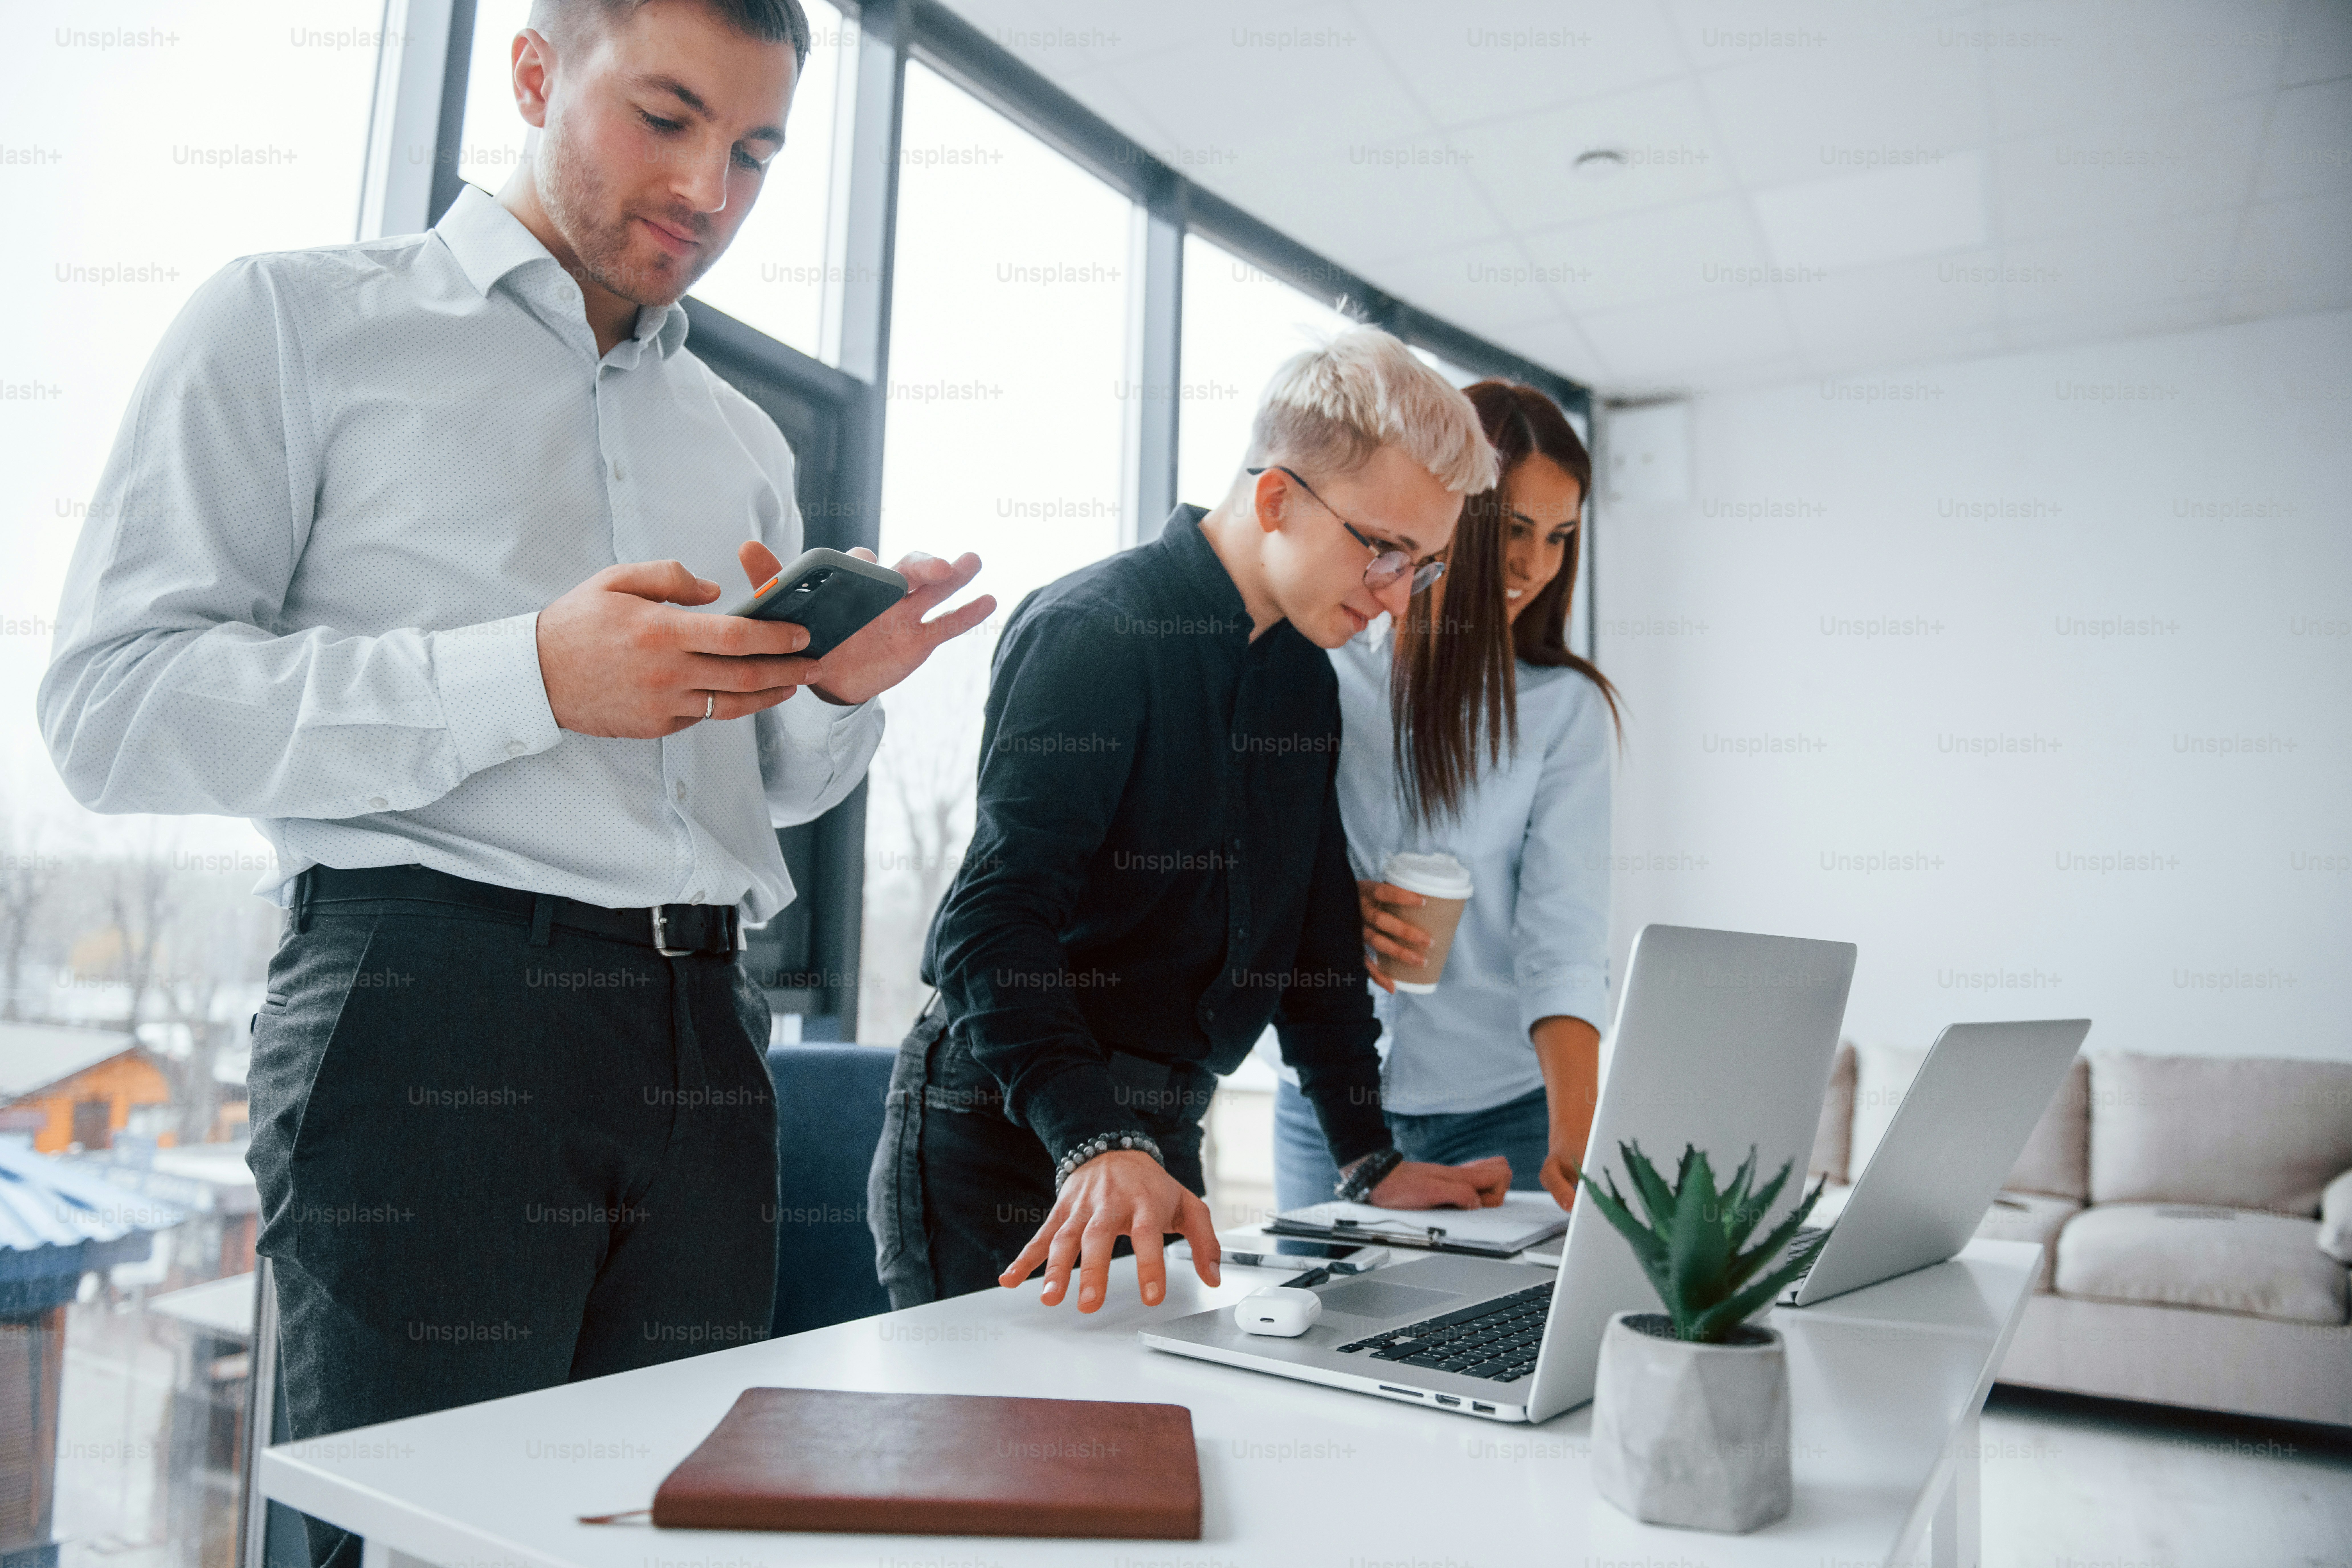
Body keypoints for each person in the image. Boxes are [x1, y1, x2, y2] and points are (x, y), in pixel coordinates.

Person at [38, 4, 988, 1566]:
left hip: (704, 1040)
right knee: (414, 1542)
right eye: (667, 117)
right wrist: (532, 676)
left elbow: (766, 794)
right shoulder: (293, 324)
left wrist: (828, 696)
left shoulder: (740, 437)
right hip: (433, 1017)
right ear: (536, 74)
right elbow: (111, 707)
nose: (711, 189)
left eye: (753, 152)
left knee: (650, 1533)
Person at [870, 328, 1514, 1314]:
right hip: (1009, 1121)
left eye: (1417, 567)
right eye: (1384, 550)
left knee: (1145, 1438)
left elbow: (1313, 930)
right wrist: (1093, 1135)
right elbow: (990, 925)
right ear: (1276, 498)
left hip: (1158, 1129)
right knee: (1001, 1453)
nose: (1395, 599)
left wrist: (1367, 1156)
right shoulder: (1098, 630)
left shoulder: (1303, 679)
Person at [1267, 381, 1621, 1214]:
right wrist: (1326, 916)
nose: (1535, 566)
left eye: (1560, 538)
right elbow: (1252, 864)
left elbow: (1563, 937)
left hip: (1497, 1112)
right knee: (1312, 1341)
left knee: (1485, 1341)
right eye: (1513, 530)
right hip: (1324, 1110)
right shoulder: (1326, 665)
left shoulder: (1561, 709)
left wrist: (1580, 1124)